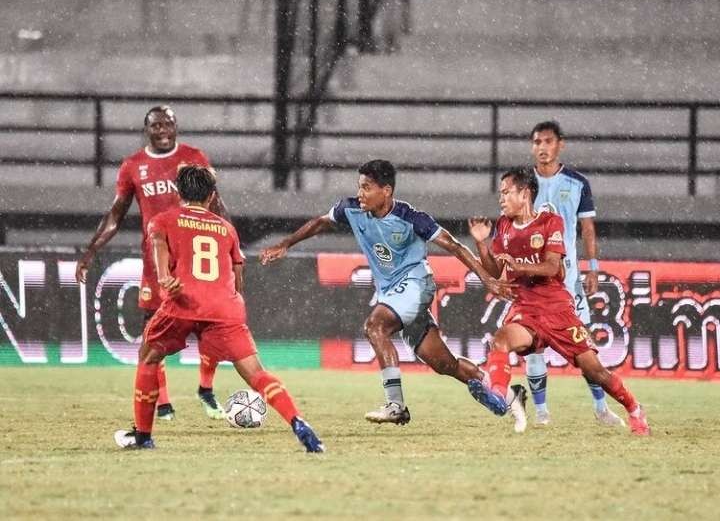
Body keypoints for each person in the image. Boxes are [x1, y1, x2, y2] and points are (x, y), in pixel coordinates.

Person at [260, 159, 527, 431]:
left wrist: (487, 279)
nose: (360, 193)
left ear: (386, 191)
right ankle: (507, 393)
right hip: (393, 292)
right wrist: (286, 243)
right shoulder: (350, 208)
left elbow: (455, 246)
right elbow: (320, 223)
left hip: (415, 283)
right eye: (359, 187)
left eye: (367, 187)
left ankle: (395, 405)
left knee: (374, 326)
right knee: (444, 364)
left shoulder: (411, 218)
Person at [114, 165, 324, 452]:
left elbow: (160, 262)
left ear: (178, 193)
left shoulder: (162, 221)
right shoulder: (226, 229)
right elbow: (238, 281)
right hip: (225, 308)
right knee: (256, 374)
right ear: (212, 196)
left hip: (183, 303)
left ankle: (143, 437)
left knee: (149, 357)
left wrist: (166, 280)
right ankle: (298, 421)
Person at [466, 167, 650, 435]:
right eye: (500, 193)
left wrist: (517, 265)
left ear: (525, 193)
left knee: (594, 371)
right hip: (526, 309)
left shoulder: (550, 222)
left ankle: (634, 408)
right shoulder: (504, 226)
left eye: (506, 192)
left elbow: (553, 268)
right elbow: (496, 273)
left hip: (557, 309)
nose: (501, 198)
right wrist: (482, 245)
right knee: (501, 340)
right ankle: (499, 394)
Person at [76, 105, 226, 421]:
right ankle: (164, 404)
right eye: (155, 125)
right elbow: (114, 216)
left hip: (194, 259)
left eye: (166, 124)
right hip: (156, 262)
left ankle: (206, 390)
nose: (161, 130)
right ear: (147, 129)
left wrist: (227, 242)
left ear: (175, 126)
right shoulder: (134, 166)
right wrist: (89, 253)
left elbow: (217, 203)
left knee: (210, 328)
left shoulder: (194, 156)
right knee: (152, 332)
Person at [525, 120, 622, 426]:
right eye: (537, 142)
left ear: (560, 144)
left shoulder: (577, 182)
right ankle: (541, 413)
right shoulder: (523, 183)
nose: (542, 148)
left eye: (548, 142)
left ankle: (601, 407)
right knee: (534, 346)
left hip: (567, 281)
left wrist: (593, 269)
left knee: (583, 346)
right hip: (531, 279)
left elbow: (588, 229)